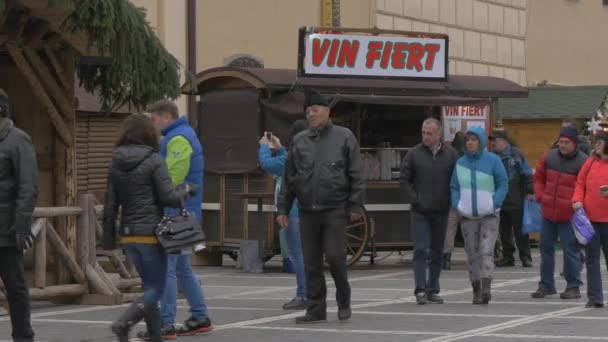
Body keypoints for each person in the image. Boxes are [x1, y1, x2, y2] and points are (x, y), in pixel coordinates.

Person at [103, 114, 198, 342]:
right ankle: (123, 322)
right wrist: (185, 190)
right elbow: (168, 198)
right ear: (148, 134)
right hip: (150, 235)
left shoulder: (115, 161)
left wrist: (108, 239)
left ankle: (156, 336)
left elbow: (110, 204)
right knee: (156, 287)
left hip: (129, 237)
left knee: (149, 287)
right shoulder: (154, 159)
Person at [277, 89, 365, 324]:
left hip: (335, 209)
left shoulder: (344, 136)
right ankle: (316, 309)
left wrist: (355, 205)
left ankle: (343, 299)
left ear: (328, 111)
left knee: (336, 257)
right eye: (307, 111)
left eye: (315, 109)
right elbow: (289, 178)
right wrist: (283, 209)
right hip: (308, 211)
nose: (311, 114)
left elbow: (356, 173)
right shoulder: (299, 140)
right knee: (311, 262)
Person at [144, 100, 212, 339]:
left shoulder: (178, 139)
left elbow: (172, 177)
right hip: (185, 210)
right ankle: (200, 317)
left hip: (175, 211)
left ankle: (166, 324)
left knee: (168, 269)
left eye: (153, 119)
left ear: (166, 117)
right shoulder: (182, 135)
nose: (152, 124)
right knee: (183, 268)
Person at [400, 118, 459, 304]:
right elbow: (404, 180)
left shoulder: (451, 155)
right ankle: (420, 290)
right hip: (420, 211)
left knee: (437, 252)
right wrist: (415, 199)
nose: (425, 136)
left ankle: (433, 289)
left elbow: (456, 181)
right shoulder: (413, 154)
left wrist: (451, 201)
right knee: (420, 249)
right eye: (423, 132)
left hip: (441, 210)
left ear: (438, 134)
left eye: (429, 133)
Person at [450, 127, 508, 305]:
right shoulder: (460, 163)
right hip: (468, 216)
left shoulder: (493, 160)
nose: (470, 142)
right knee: (472, 253)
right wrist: (457, 204)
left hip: (489, 215)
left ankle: (486, 288)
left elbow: (502, 183)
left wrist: (494, 202)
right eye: (468, 139)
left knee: (485, 250)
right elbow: (454, 186)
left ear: (481, 142)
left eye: (474, 139)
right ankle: (475, 289)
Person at [0, 89, 38, 342]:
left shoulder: (17, 140)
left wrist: (22, 224)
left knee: (15, 288)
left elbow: (29, 186)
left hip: (6, 229)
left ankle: (23, 337)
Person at [258, 119, 309, 310]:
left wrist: (264, 146)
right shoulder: (302, 154)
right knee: (305, 255)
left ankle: (303, 295)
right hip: (306, 210)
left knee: (298, 255)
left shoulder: (289, 159)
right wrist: (279, 148)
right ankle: (309, 293)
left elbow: (267, 164)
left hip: (293, 211)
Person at [532, 126, 587, 300]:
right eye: (561, 141)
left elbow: (585, 187)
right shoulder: (549, 156)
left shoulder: (583, 162)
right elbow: (539, 178)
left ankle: (573, 286)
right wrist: (540, 196)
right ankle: (546, 285)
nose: (562, 145)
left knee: (570, 250)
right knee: (545, 248)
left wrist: (577, 205)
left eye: (566, 142)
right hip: (548, 211)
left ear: (574, 144)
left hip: (569, 214)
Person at [572, 132, 608, 308]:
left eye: (600, 142)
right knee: (592, 259)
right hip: (590, 220)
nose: (597, 145)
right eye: (596, 142)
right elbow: (580, 183)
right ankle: (595, 297)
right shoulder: (590, 161)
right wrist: (577, 200)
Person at [490, 130, 534, 268]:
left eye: (495, 140)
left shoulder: (517, 154)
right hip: (500, 201)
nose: (492, 143)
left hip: (516, 199)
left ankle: (525, 257)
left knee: (520, 231)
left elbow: (527, 173)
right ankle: (508, 257)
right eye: (492, 141)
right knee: (504, 232)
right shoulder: (492, 157)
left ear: (504, 141)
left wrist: (530, 191)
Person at [443, 131, 465, 270]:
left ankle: (446, 259)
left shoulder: (449, 157)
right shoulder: (468, 158)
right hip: (467, 200)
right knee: (469, 229)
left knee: (449, 230)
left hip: (453, 199)